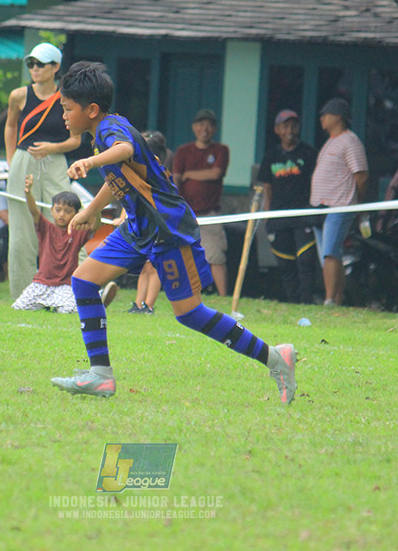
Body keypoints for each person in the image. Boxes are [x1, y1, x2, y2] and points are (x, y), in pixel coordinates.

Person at [49, 61, 298, 404]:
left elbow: (123, 152)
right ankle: (101, 376)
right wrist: (91, 211)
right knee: (83, 280)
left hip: (167, 229)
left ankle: (276, 357)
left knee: (190, 313)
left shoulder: (109, 132)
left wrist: (89, 163)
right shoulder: (103, 130)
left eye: (67, 108)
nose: (63, 115)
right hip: (139, 228)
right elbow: (119, 175)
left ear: (91, 110)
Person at [5, 43, 82, 299]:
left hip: (56, 162)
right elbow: (10, 126)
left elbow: (76, 140)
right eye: (31, 64)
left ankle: (77, 287)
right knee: (21, 232)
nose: (35, 69)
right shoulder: (19, 95)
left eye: (41, 64)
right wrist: (11, 159)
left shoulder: (66, 97)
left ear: (55, 67)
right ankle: (25, 294)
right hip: (23, 160)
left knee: (66, 221)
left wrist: (52, 147)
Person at [310, 97, 368, 306]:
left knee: (330, 253)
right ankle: (337, 297)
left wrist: (358, 205)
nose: (322, 119)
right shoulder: (331, 141)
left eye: (325, 115)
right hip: (321, 207)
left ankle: (329, 299)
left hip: (340, 204)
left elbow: (361, 175)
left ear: (338, 117)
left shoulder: (350, 141)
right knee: (329, 255)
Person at [258, 109, 319, 304]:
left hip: (303, 214)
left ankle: (307, 301)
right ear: (277, 130)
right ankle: (293, 302)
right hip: (278, 214)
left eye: (294, 125)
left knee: (306, 259)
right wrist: (267, 213)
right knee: (285, 264)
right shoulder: (271, 156)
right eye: (285, 126)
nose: (290, 130)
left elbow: (316, 181)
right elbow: (266, 186)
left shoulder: (308, 153)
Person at [12, 175, 92, 313]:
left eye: (67, 211)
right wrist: (28, 192)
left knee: (68, 310)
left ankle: (94, 299)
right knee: (19, 307)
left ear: (76, 214)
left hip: (65, 285)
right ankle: (49, 305)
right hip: (41, 283)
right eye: (58, 209)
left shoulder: (78, 233)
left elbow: (94, 225)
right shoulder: (46, 228)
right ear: (51, 210)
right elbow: (33, 211)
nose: (61, 215)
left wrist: (95, 209)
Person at [172, 108, 230, 296]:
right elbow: (176, 178)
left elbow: (216, 173)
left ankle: (222, 296)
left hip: (210, 213)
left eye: (209, 125)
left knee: (216, 256)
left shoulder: (221, 150)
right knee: (183, 255)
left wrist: (190, 174)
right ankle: (184, 293)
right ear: (194, 127)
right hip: (187, 213)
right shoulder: (183, 151)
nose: (204, 128)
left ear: (214, 128)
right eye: (200, 124)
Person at [129, 130, 171, 314]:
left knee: (154, 267)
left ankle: (149, 305)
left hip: (159, 227)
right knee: (145, 267)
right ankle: (138, 304)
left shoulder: (162, 178)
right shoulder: (137, 175)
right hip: (144, 227)